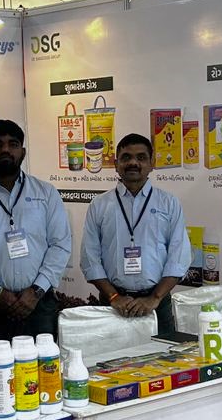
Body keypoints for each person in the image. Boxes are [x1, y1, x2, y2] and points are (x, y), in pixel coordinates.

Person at [0, 119, 72, 340]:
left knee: (43, 361)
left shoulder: (46, 192)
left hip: (39, 304)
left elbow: (60, 245)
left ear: (23, 152)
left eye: (13, 144)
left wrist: (36, 291)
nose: (5, 150)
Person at [80, 132, 190, 333]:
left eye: (141, 157)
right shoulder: (99, 205)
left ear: (151, 163)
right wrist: (114, 297)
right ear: (116, 164)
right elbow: (90, 259)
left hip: (156, 303)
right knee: (112, 353)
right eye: (126, 157)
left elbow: (178, 257)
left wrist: (154, 298)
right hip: (113, 303)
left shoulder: (169, 203)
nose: (133, 163)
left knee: (163, 353)